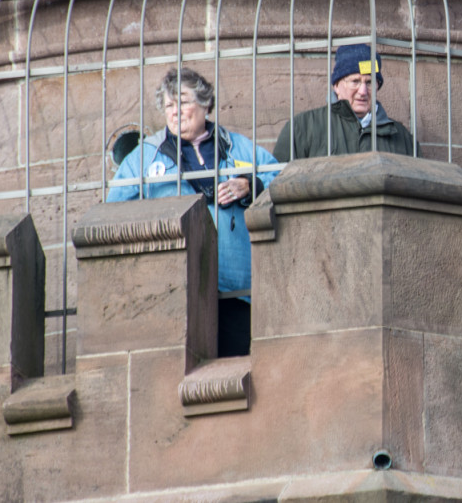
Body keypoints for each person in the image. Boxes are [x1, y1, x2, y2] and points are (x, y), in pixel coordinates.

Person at [108, 67, 279, 357]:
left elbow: (283, 181)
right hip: (173, 292)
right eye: (169, 105)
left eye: (184, 102)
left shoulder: (239, 148)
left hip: (237, 292)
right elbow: (113, 214)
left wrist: (251, 184)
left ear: (205, 104)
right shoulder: (144, 158)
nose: (176, 112)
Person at [273, 43, 418, 161]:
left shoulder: (402, 137)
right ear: (336, 85)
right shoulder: (302, 128)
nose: (363, 91)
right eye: (355, 81)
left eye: (369, 82)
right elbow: (277, 184)